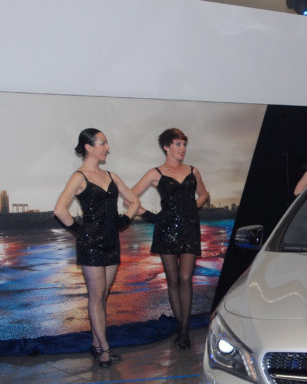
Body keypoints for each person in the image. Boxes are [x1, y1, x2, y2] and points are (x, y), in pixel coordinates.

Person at [54, 128, 140, 367]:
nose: (107, 148)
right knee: (96, 297)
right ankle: (104, 349)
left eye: (107, 143)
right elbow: (59, 209)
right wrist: (79, 230)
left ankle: (95, 343)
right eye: (103, 143)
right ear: (89, 147)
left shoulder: (111, 175)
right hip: (90, 245)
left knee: (102, 297)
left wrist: (125, 219)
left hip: (112, 242)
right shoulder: (79, 177)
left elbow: (134, 200)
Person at [131, 128, 210, 348]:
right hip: (166, 229)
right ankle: (181, 330)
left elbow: (204, 194)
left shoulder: (193, 170)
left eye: (184, 144)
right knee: (173, 280)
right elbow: (130, 196)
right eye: (177, 144)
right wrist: (150, 216)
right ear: (166, 146)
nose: (182, 149)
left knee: (186, 277)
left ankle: (184, 330)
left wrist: (192, 208)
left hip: (190, 229)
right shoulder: (155, 172)